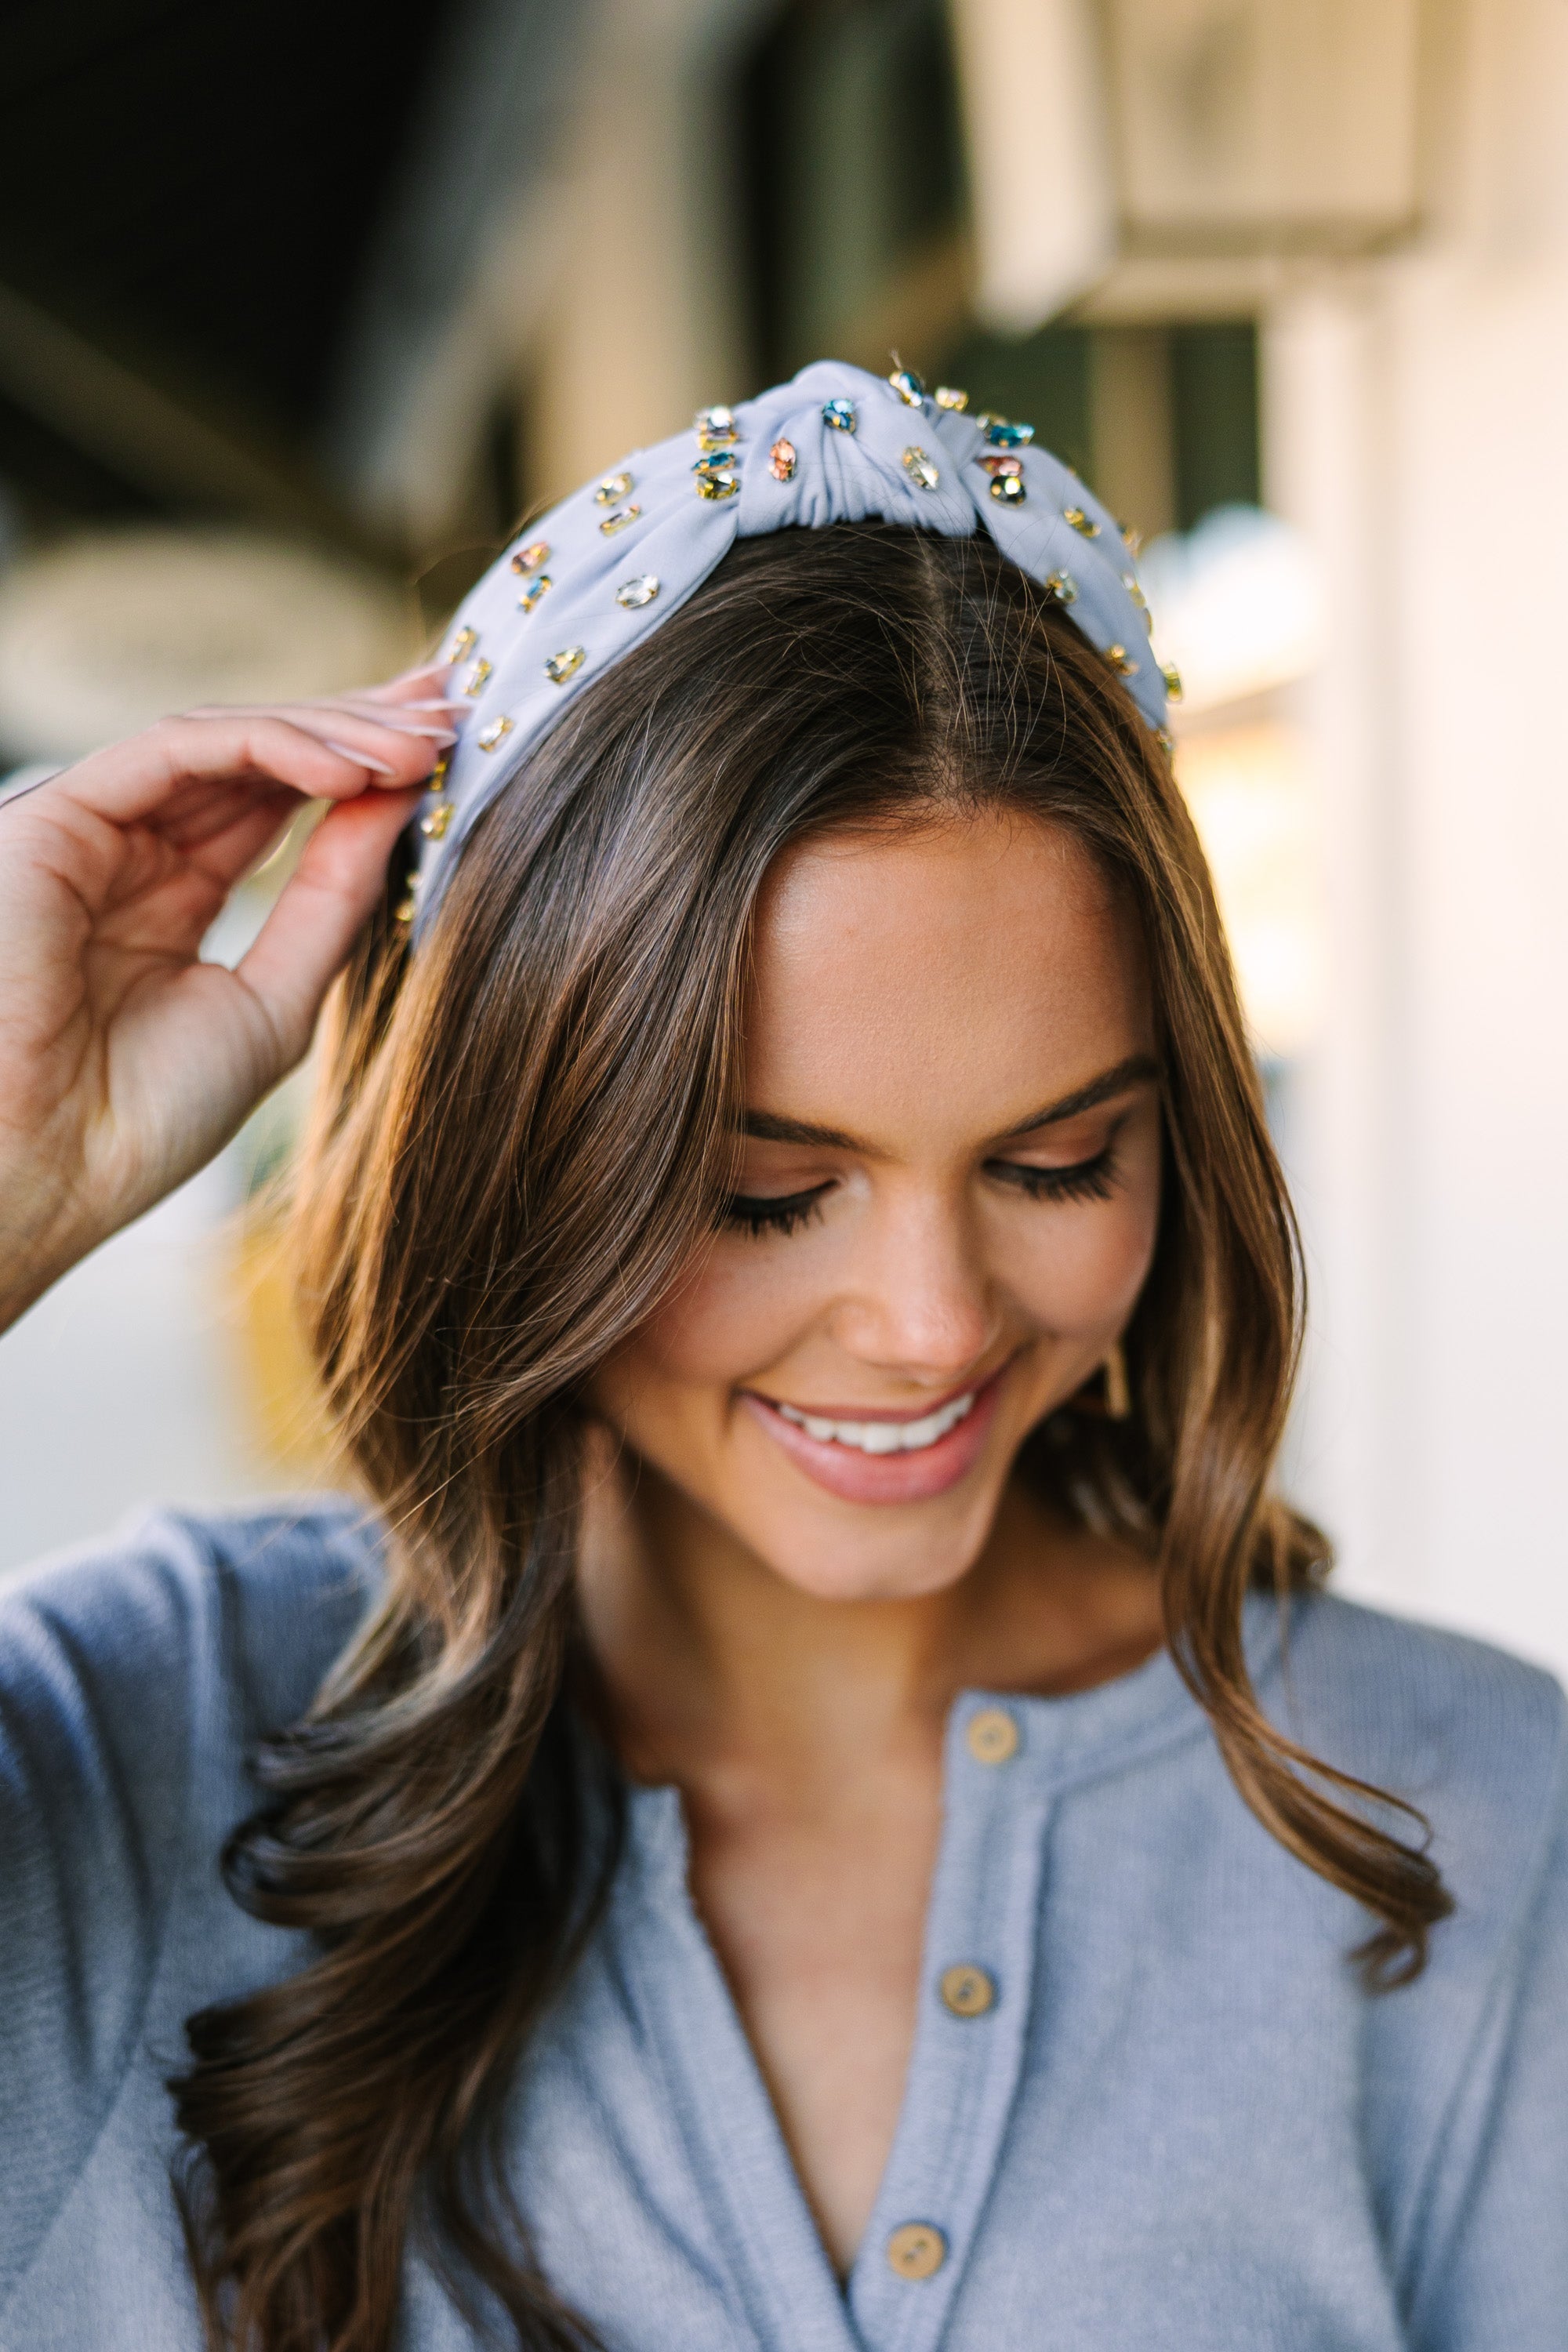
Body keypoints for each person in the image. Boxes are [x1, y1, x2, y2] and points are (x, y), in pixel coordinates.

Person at [0, 362, 1563, 2352]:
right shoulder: (125, 1759)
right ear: (517, 1160)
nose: (930, 1324)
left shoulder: (1473, 1815)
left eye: (1057, 1158)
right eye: (761, 1194)